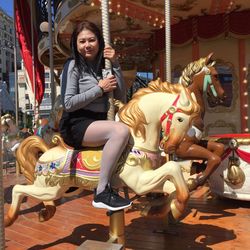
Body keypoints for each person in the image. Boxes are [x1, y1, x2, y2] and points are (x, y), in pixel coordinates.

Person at [59, 20, 132, 211]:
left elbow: (120, 95)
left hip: (98, 121)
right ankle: (101, 192)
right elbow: (68, 103)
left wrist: (115, 64)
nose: (87, 45)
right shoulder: (73, 65)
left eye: (91, 40)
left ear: (99, 41)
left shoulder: (104, 66)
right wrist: (99, 89)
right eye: (82, 41)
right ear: (75, 44)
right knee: (120, 131)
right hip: (77, 122)